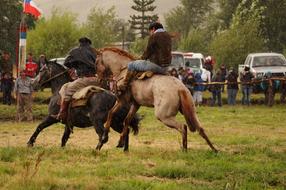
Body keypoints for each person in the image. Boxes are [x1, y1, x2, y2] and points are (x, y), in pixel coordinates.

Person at [55, 37, 101, 121]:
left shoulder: (75, 51)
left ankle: (62, 113)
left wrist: (75, 65)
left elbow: (66, 63)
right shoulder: (95, 51)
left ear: (80, 43)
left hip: (85, 79)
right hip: (97, 79)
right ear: (88, 43)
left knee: (68, 90)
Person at [117, 22, 172, 92]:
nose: (150, 33)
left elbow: (148, 52)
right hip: (166, 67)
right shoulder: (168, 36)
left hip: (156, 65)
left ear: (153, 29)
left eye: (150, 31)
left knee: (131, 65)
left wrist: (140, 59)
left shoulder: (154, 36)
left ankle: (124, 85)